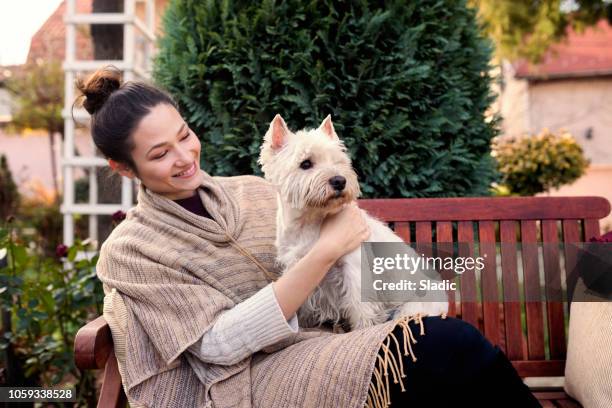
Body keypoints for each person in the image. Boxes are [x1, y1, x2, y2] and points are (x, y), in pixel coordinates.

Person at [78, 67, 541, 408]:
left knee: (440, 348)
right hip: (247, 382)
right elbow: (216, 346)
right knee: (448, 347)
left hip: (331, 344)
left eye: (185, 135)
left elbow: (369, 251)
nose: (184, 157)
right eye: (161, 153)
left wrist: (418, 297)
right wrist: (325, 252)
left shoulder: (258, 192)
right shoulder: (133, 250)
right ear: (123, 168)